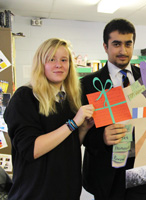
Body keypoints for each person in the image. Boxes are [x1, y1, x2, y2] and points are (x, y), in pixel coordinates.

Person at [4, 38, 95, 200]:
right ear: (41, 64)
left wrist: (82, 129)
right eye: (51, 59)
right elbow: (32, 149)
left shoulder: (70, 99)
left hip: (67, 191)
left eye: (64, 60)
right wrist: (73, 123)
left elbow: (67, 145)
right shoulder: (25, 97)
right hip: (35, 192)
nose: (59, 64)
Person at [81, 18, 146, 200]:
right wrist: (102, 138)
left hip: (141, 164)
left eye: (128, 44)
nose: (123, 50)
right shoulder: (88, 84)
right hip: (106, 170)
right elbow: (81, 132)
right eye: (116, 44)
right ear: (105, 47)